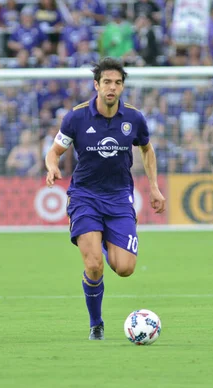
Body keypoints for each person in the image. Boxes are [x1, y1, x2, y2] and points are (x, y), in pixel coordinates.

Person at [44, 58, 166, 341]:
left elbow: (147, 151)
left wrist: (155, 188)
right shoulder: (76, 117)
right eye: (107, 82)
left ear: (123, 87)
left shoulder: (134, 118)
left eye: (118, 83)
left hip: (119, 198)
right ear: (96, 85)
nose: (112, 88)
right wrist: (52, 165)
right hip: (84, 196)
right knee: (94, 265)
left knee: (124, 268)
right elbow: (54, 152)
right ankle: (96, 323)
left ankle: (106, 244)